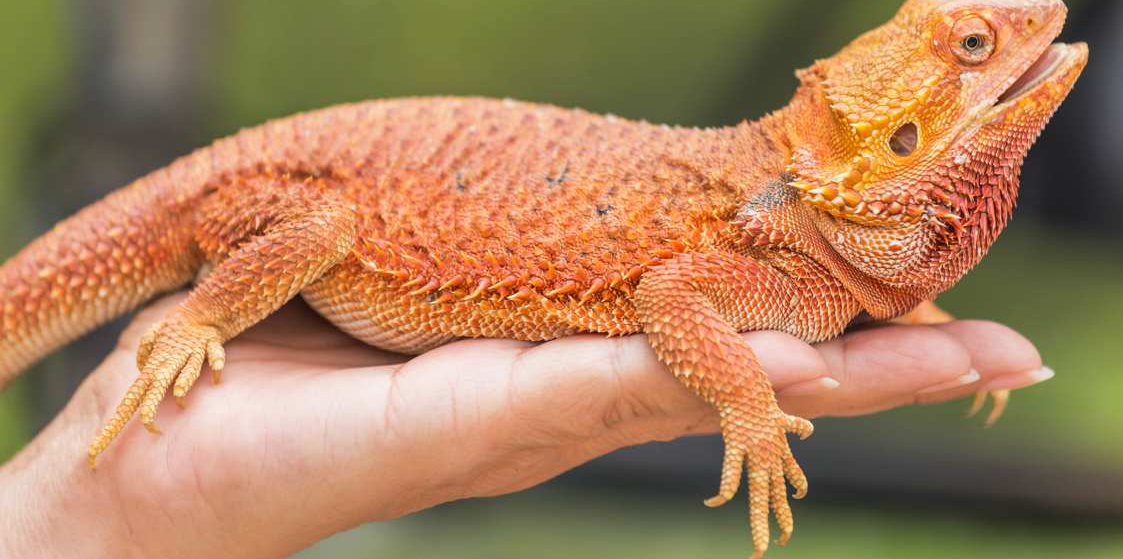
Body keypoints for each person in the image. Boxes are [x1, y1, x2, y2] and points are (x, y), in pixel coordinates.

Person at [0, 293, 1050, 557]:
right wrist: (743, 400)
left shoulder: (801, 217)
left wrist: (100, 521)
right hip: (308, 212)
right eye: (966, 49)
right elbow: (679, 297)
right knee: (315, 220)